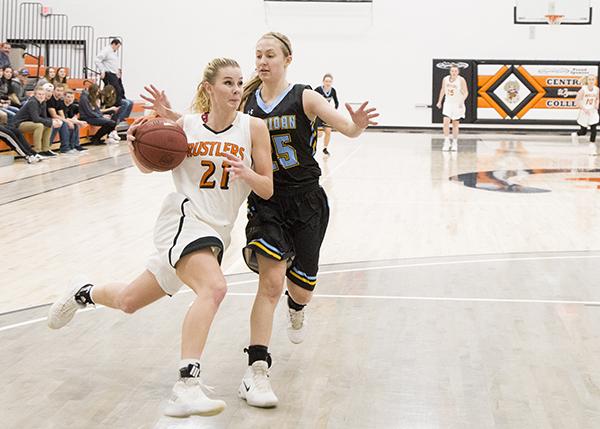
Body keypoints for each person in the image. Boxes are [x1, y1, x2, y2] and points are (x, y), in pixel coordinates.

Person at [47, 57, 273, 418]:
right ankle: (186, 385)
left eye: (238, 83)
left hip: (215, 235)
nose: (235, 90)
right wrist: (134, 144)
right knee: (214, 288)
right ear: (208, 89)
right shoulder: (183, 127)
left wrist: (247, 172)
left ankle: (82, 291)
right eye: (227, 83)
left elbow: (267, 188)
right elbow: (149, 163)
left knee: (128, 301)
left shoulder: (253, 128)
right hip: (183, 219)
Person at [237, 32, 378, 408]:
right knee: (270, 283)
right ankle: (256, 370)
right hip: (265, 200)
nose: (263, 61)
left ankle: (296, 309)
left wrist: (358, 122)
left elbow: (346, 129)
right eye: (258, 55)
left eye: (270, 55)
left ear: (287, 59)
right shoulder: (245, 102)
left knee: (300, 290)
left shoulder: (306, 96)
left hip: (307, 201)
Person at [12, 85, 62, 156]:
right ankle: (38, 151)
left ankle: (46, 149)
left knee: (48, 125)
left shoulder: (43, 102)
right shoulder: (33, 102)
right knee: (39, 125)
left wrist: (53, 121)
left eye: (42, 94)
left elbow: (44, 117)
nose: (41, 96)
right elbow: (36, 119)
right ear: (35, 95)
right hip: (19, 124)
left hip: (29, 122)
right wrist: (51, 122)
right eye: (39, 94)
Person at [95, 39, 133, 124]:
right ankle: (118, 120)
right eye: (118, 46)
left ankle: (123, 121)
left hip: (113, 75)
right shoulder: (106, 51)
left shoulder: (111, 52)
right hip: (109, 74)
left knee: (128, 101)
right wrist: (102, 71)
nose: (118, 48)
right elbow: (97, 60)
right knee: (117, 95)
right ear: (114, 44)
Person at [47, 83, 86, 154]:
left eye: (61, 91)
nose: (59, 92)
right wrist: (68, 121)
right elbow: (54, 115)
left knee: (70, 123)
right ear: (54, 91)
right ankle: (65, 148)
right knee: (64, 123)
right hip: (49, 119)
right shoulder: (51, 100)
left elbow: (63, 116)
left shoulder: (58, 101)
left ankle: (73, 146)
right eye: (58, 90)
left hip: (55, 120)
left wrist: (70, 121)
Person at [436, 64, 468, 151]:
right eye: (452, 71)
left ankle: (454, 142)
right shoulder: (445, 79)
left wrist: (462, 101)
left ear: (458, 72)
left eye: (455, 71)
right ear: (450, 71)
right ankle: (446, 141)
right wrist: (439, 101)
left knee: (455, 124)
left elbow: (466, 92)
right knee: (446, 123)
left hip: (457, 103)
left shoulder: (461, 80)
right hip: (448, 102)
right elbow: (443, 90)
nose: (454, 73)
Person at [571, 74, 600, 156]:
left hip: (593, 112)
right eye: (590, 79)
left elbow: (597, 98)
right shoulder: (583, 90)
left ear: (595, 80)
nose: (591, 81)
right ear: (587, 81)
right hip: (584, 112)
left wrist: (597, 104)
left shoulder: (597, 89)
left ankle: (592, 149)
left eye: (593, 79)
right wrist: (584, 108)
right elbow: (577, 101)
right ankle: (575, 135)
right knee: (583, 131)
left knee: (594, 130)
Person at [314, 73, 339, 156]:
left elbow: (337, 102)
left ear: (331, 82)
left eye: (329, 81)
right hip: (318, 113)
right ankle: (311, 145)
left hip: (327, 114)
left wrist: (334, 110)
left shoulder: (333, 91)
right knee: (319, 134)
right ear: (323, 82)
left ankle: (325, 148)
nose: (328, 83)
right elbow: (311, 98)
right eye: (326, 81)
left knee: (328, 131)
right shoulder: (318, 90)